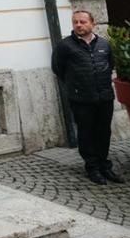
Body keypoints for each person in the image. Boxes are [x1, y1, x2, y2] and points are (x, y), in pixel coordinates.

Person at [51, 10, 124, 185]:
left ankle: (105, 166)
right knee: (86, 133)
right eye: (75, 22)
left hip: (104, 97)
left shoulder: (104, 44)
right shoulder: (65, 46)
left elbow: (110, 64)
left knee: (103, 132)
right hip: (81, 99)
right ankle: (92, 167)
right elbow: (57, 68)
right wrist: (74, 85)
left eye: (83, 22)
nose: (78, 25)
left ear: (92, 23)